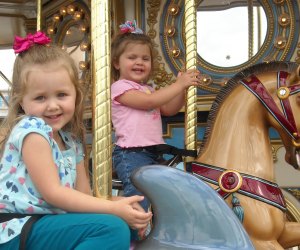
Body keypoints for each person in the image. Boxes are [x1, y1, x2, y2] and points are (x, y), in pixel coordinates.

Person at [0, 31, 152, 250]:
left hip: (47, 224)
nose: (52, 105)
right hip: (18, 227)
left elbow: (83, 197)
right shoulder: (31, 132)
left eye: (61, 95)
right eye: (40, 98)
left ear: (75, 95)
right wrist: (113, 209)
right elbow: (54, 193)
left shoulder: (71, 141)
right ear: (22, 102)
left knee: (127, 220)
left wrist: (121, 204)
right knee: (111, 228)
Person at [111, 20, 201, 212]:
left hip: (153, 153)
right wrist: (178, 85)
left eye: (145, 58)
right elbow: (149, 103)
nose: (139, 62)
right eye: (132, 57)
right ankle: (132, 236)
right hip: (131, 154)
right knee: (138, 196)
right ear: (116, 63)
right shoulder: (119, 88)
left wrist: (182, 90)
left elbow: (169, 109)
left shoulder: (148, 89)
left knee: (164, 196)